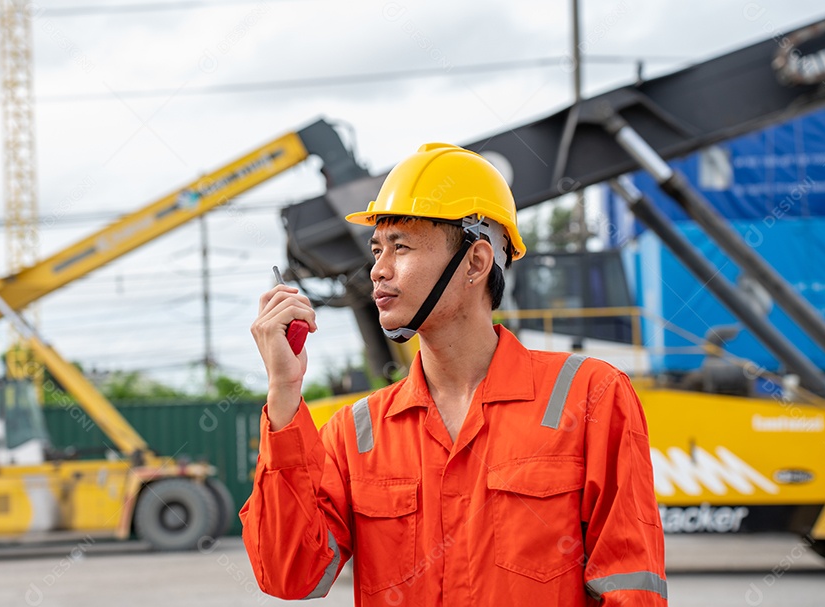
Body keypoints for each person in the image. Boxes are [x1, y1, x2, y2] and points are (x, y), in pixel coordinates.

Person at [242, 143, 666, 606]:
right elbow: (292, 575)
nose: (378, 271)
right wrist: (284, 392)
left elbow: (630, 586)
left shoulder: (589, 397)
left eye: (400, 247)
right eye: (377, 249)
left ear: (476, 262)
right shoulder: (356, 434)